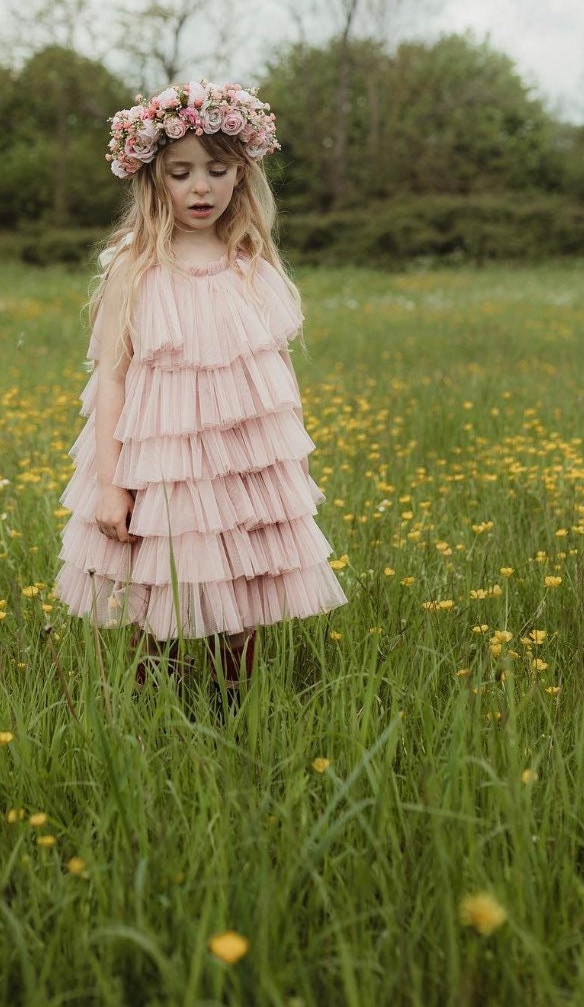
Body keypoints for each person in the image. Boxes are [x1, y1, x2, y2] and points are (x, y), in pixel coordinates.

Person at [52, 77, 348, 702]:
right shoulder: (135, 269)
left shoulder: (250, 267)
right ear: (154, 178)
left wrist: (284, 468)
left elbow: (275, 378)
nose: (200, 188)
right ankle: (154, 718)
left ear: (241, 174)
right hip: (158, 467)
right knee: (157, 594)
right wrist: (111, 485)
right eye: (181, 173)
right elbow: (111, 380)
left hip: (238, 467)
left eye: (217, 171)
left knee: (239, 598)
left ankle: (231, 713)